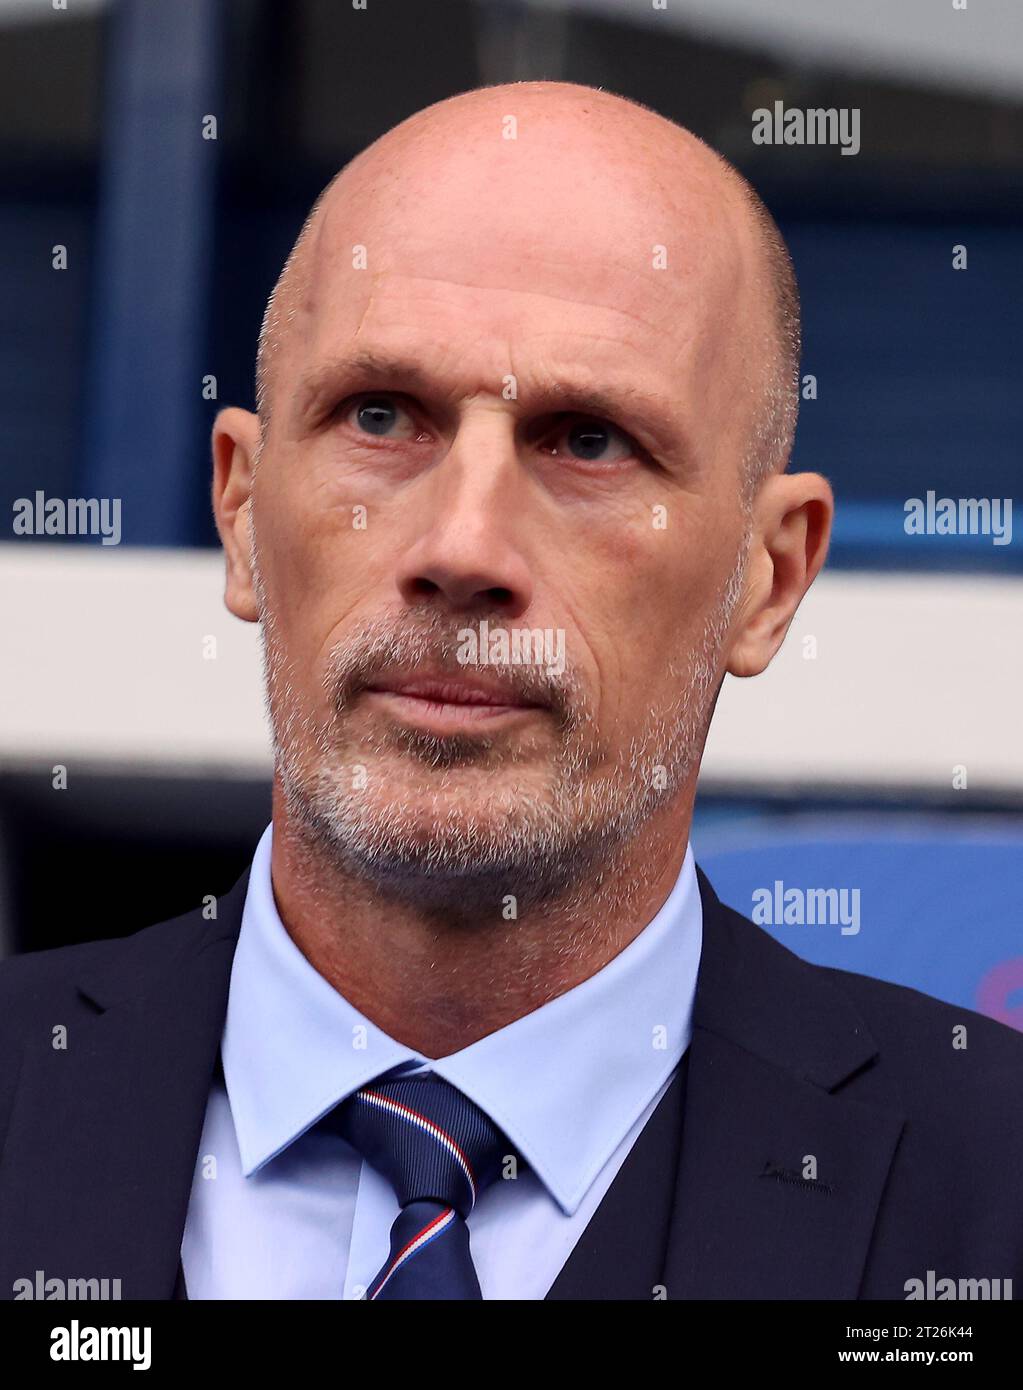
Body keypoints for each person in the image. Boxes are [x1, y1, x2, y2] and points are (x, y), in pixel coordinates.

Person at [2, 81, 1021, 1302]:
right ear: (240, 510)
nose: (463, 547)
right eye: (380, 416)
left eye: (589, 440)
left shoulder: (989, 1190)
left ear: (770, 577)